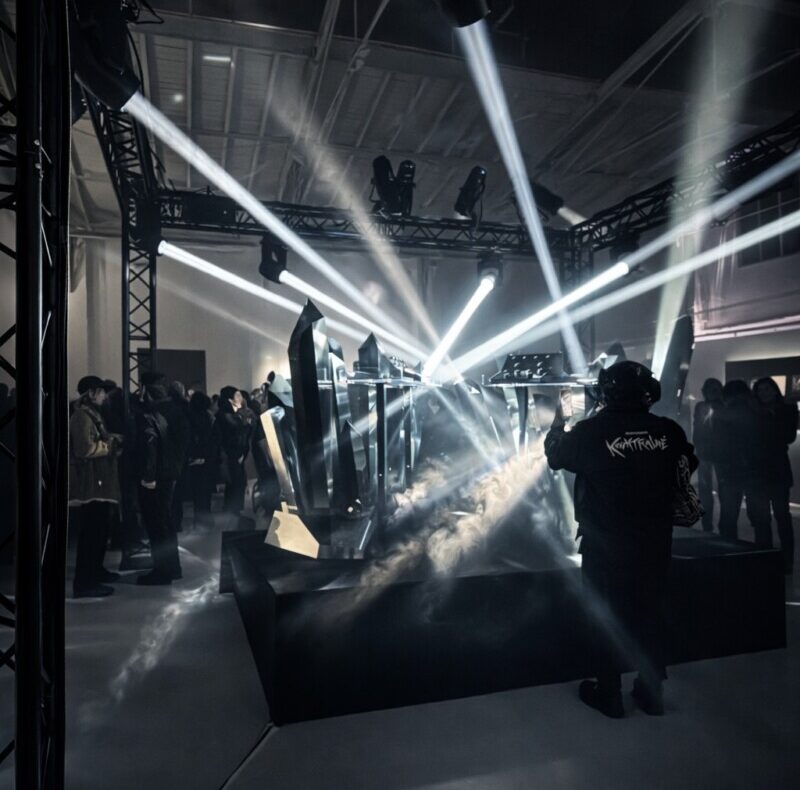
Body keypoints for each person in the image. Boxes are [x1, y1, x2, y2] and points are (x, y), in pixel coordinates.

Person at [545, 361, 697, 718]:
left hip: (605, 543)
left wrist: (558, 421)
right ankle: (651, 691)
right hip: (655, 540)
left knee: (606, 615)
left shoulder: (589, 431)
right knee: (651, 613)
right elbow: (688, 465)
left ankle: (609, 692)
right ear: (650, 392)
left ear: (605, 392)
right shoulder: (668, 430)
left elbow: (555, 457)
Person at [69, 375, 122, 598]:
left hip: (99, 484)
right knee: (92, 534)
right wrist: (110, 445)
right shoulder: (82, 416)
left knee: (99, 532)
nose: (104, 396)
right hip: (91, 486)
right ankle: (85, 582)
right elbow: (83, 448)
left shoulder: (91, 414)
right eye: (100, 392)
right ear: (90, 393)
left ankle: (96, 572)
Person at [135, 380, 189, 585]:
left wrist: (148, 476)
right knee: (165, 522)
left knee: (157, 524)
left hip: (157, 476)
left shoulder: (151, 415)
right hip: (170, 473)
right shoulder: (171, 412)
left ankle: (163, 571)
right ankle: (172, 568)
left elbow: (151, 446)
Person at [749, 378, 798, 574]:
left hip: (776, 469)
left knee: (781, 516)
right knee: (763, 519)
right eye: (760, 390)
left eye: (766, 389)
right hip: (761, 470)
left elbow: (788, 436)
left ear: (775, 390)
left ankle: (786, 561)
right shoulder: (755, 412)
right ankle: (766, 559)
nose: (763, 393)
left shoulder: (787, 409)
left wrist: (769, 418)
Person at [716, 380, 762, 541]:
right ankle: (763, 550)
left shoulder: (724, 412)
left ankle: (729, 548)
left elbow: (720, 442)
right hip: (753, 468)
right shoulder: (755, 410)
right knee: (759, 517)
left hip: (731, 468)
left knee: (729, 515)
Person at [216, 386, 254, 516]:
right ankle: (233, 509)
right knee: (235, 481)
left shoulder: (233, 414)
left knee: (236, 481)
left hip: (237, 451)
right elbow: (236, 431)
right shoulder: (225, 415)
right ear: (230, 399)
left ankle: (232, 508)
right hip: (230, 452)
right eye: (237, 395)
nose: (240, 398)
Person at [693, 378, 723, 533]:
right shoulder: (701, 407)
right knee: (707, 491)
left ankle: (715, 526)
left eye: (715, 389)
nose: (713, 392)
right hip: (706, 453)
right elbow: (697, 429)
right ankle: (709, 526)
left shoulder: (719, 407)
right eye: (710, 389)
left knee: (718, 490)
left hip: (717, 454)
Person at [188, 391, 217, 526]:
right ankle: (207, 518)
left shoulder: (190, 417)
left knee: (197, 491)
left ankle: (199, 519)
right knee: (206, 491)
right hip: (208, 458)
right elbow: (214, 439)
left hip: (194, 458)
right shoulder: (209, 417)